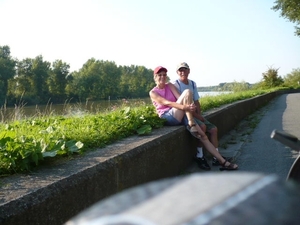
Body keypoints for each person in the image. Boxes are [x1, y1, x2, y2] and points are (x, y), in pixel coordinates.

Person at [149, 65, 238, 171]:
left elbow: (180, 98)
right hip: (168, 116)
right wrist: (185, 107)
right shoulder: (153, 92)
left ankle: (223, 162)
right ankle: (191, 123)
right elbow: (167, 103)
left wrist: (189, 107)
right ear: (155, 77)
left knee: (203, 136)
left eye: (164, 75)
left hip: (181, 113)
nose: (162, 77)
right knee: (187, 92)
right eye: (159, 75)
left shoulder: (170, 86)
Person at [173, 62, 223, 170]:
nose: (183, 72)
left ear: (189, 71)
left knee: (214, 129)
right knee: (203, 128)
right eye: (180, 70)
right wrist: (196, 116)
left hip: (195, 115)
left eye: (185, 70)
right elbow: (181, 105)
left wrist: (200, 115)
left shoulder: (192, 84)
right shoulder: (175, 85)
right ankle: (199, 156)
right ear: (177, 72)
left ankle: (216, 157)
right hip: (186, 115)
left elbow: (196, 101)